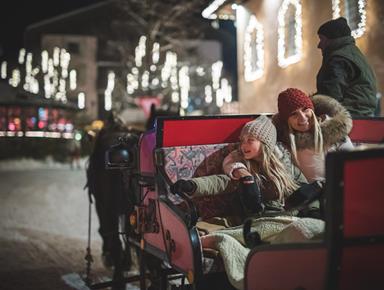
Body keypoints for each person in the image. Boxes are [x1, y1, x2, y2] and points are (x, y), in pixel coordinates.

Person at [171, 115, 302, 217]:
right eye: (242, 141)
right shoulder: (243, 167)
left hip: (288, 215)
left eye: (250, 140)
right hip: (259, 219)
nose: (244, 145)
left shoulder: (285, 163)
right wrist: (192, 185)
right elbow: (220, 182)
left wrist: (312, 204)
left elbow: (302, 184)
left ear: (265, 144)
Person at [274, 87, 354, 185]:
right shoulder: (283, 141)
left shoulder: (335, 133)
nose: (302, 118)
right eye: (294, 114)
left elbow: (353, 167)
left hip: (336, 191)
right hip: (303, 196)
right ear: (287, 121)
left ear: (312, 110)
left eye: (305, 110)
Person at [316, 17, 377, 117]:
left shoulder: (339, 59)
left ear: (332, 39)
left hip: (349, 115)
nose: (319, 45)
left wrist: (310, 105)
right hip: (362, 112)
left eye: (322, 39)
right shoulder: (353, 53)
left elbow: (330, 97)